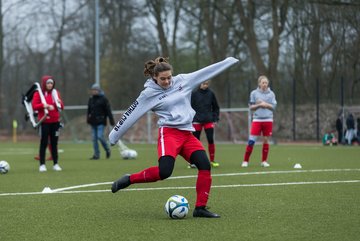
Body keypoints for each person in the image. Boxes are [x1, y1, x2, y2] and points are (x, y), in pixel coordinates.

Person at [109, 56, 239, 218]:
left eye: (169, 77)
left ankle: (200, 208)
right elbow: (130, 115)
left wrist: (228, 61)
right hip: (169, 134)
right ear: (154, 77)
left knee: (204, 165)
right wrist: (114, 136)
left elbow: (206, 72)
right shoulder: (148, 94)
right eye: (163, 79)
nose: (167, 81)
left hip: (187, 134)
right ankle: (129, 179)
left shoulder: (183, 81)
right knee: (164, 172)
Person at [241, 75, 277, 168]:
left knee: (265, 140)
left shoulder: (271, 94)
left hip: (268, 119)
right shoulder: (254, 93)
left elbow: (273, 107)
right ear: (259, 84)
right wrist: (260, 105)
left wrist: (266, 104)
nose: (264, 84)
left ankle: (264, 161)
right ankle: (245, 161)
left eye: (266, 83)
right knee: (251, 140)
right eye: (263, 82)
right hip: (257, 119)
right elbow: (251, 107)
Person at [32, 75, 64, 172]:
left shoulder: (56, 93)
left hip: (55, 122)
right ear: (44, 84)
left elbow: (61, 107)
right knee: (44, 143)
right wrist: (44, 105)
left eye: (51, 83)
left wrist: (60, 102)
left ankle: (55, 164)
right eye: (48, 83)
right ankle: (42, 165)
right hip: (44, 122)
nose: (50, 85)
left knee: (54, 143)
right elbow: (34, 106)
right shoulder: (39, 93)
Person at [190, 80, 220, 168]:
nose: (205, 85)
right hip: (196, 120)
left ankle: (212, 160)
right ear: (200, 83)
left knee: (210, 139)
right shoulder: (194, 94)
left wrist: (215, 118)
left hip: (208, 120)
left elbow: (216, 107)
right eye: (203, 84)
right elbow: (189, 107)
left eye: (207, 84)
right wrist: (191, 118)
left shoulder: (211, 94)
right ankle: (193, 162)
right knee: (195, 141)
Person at [87, 83, 115, 160]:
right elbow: (89, 110)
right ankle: (96, 155)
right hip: (93, 122)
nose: (94, 91)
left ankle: (107, 149)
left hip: (101, 121)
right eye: (93, 90)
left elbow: (108, 111)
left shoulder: (104, 99)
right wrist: (88, 119)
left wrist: (111, 120)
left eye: (95, 90)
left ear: (99, 90)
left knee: (99, 136)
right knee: (94, 139)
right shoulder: (91, 99)